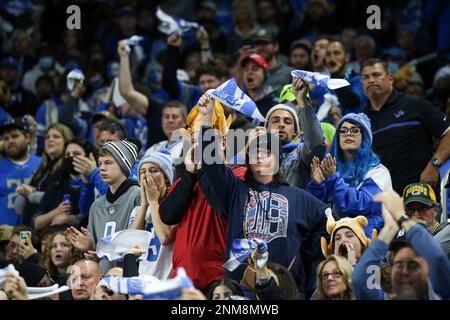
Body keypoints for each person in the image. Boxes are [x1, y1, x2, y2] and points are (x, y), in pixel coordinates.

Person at [197, 93, 328, 296]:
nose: (258, 155)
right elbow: (211, 163)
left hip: (284, 287)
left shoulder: (297, 196)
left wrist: (304, 253)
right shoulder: (236, 190)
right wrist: (206, 119)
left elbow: (326, 219)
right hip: (239, 287)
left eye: (266, 152)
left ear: (277, 160)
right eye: (254, 152)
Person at [159, 101, 247, 292]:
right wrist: (189, 175)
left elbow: (218, 197)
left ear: (223, 143)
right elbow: (168, 215)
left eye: (206, 139)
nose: (199, 145)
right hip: (182, 280)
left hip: (218, 280)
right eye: (194, 139)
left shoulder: (238, 175)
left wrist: (201, 171)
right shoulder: (186, 179)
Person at [361, 58, 450, 194]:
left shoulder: (414, 104)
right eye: (366, 77)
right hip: (382, 202)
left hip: (420, 196)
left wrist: (434, 166)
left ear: (390, 78)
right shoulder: (361, 119)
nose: (371, 80)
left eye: (377, 75)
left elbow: (447, 134)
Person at [352, 190, 450, 300]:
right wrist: (388, 230)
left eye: (413, 266)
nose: (404, 272)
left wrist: (401, 216)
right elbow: (359, 282)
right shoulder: (382, 298)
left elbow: (438, 259)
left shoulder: (439, 294)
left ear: (428, 266)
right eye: (398, 264)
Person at [306, 113, 392, 235]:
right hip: (331, 241)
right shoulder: (329, 169)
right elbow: (314, 211)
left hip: (366, 242)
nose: (348, 133)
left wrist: (334, 180)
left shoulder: (378, 172)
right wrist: (317, 186)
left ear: (365, 138)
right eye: (343, 130)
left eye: (355, 130)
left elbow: (362, 205)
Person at [65, 140, 140, 272]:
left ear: (124, 165)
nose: (102, 168)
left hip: (130, 276)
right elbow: (95, 252)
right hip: (103, 280)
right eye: (100, 164)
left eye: (108, 163)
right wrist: (90, 248)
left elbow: (138, 242)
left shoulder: (137, 195)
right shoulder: (97, 206)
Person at [265, 77, 325, 189]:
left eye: (287, 122)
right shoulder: (256, 155)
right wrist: (246, 148)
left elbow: (316, 143)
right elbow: (229, 174)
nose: (281, 124)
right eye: (275, 121)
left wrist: (302, 100)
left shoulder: (301, 154)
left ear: (295, 133)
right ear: (266, 129)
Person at [15, 123, 73, 225]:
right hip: (28, 227)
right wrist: (22, 192)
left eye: (56, 136)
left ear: (66, 142)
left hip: (50, 230)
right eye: (47, 137)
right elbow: (19, 209)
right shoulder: (41, 169)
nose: (50, 139)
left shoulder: (67, 169)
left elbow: (59, 199)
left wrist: (31, 194)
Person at [129, 151, 175, 279]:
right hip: (144, 280)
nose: (147, 176)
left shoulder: (175, 205)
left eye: (153, 170)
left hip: (168, 281)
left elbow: (165, 238)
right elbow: (133, 247)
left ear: (166, 177)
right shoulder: (138, 210)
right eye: (143, 172)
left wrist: (153, 202)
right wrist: (144, 205)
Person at [33, 139, 96, 230]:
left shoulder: (94, 185)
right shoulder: (55, 187)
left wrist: (68, 219)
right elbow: (36, 222)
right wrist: (56, 212)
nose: (71, 157)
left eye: (76, 154)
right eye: (67, 155)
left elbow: (92, 217)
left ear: (88, 157)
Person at [0, 117, 41, 226]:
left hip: (35, 232)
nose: (10, 141)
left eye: (15, 136)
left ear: (27, 137)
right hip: (4, 236)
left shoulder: (42, 164)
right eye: (6, 138)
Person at [402, 182, 450, 259]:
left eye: (422, 209)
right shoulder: (401, 237)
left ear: (436, 209)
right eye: (411, 210)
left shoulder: (446, 234)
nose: (416, 215)